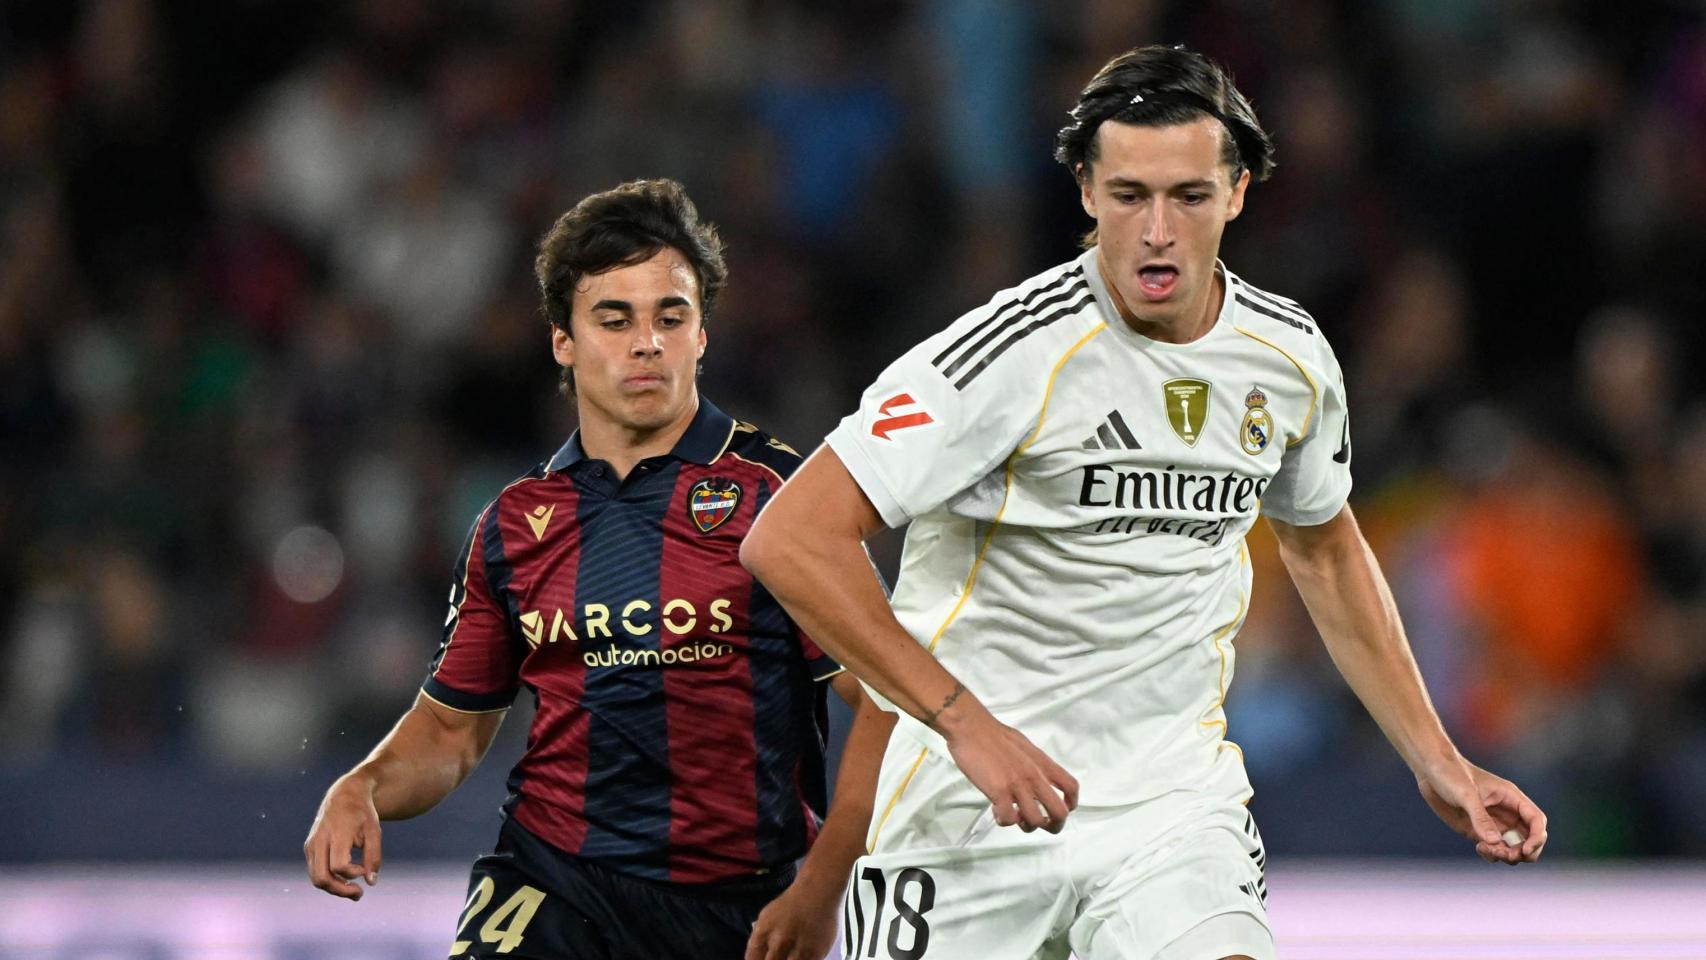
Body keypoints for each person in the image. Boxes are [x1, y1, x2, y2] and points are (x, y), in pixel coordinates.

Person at [741, 45, 1549, 960]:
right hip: (968, 809)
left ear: (1237, 192)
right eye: (1128, 196)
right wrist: (962, 722)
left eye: (1189, 196)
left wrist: (1434, 758)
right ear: (1087, 192)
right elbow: (793, 539)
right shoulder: (1006, 354)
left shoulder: (1289, 359)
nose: (1157, 229)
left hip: (1172, 808)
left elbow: (1324, 549)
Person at [303, 178, 893, 960]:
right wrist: (365, 785)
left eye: (669, 317)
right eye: (614, 319)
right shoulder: (514, 524)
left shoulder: (779, 498)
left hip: (739, 905)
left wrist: (824, 885)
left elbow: (893, 698)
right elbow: (450, 731)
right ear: (563, 340)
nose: (645, 342)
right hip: (551, 879)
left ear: (703, 335)